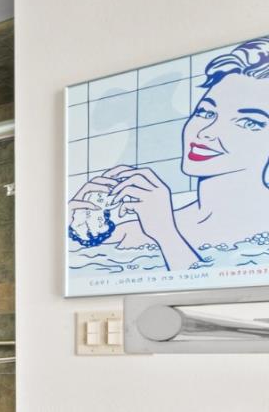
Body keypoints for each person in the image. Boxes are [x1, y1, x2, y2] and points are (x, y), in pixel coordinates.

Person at [69, 37, 269, 270]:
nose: (206, 132)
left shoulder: (159, 226)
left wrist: (166, 234)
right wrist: (82, 223)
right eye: (205, 112)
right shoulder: (135, 230)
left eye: (248, 122)